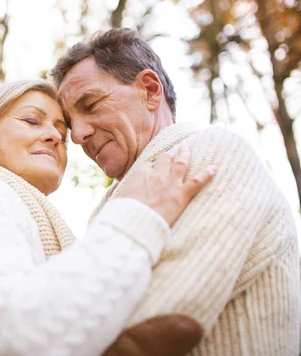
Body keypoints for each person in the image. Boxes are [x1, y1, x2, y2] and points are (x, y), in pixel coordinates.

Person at [0, 79, 216, 356]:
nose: (56, 136)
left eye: (61, 130)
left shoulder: (19, 213)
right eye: (31, 120)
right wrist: (139, 218)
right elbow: (15, 335)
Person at [50, 28, 301, 355]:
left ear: (150, 90)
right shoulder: (109, 205)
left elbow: (153, 324)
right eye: (71, 122)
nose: (78, 134)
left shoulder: (214, 153)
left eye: (91, 103)